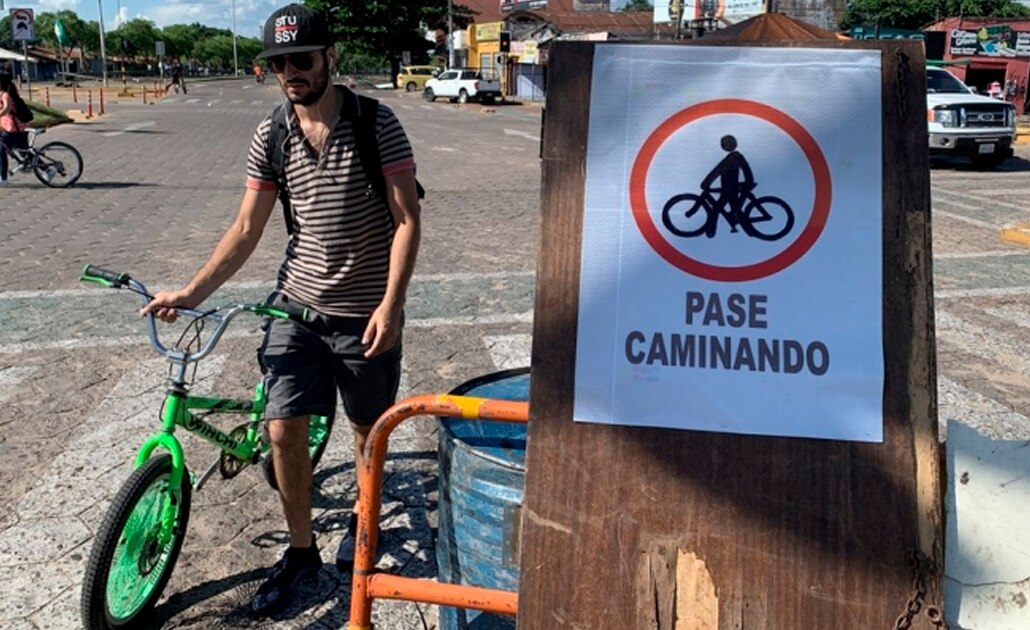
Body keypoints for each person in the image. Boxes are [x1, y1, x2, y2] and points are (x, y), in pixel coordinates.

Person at [140, 3, 421, 617]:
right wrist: (191, 293)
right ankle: (300, 551)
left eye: (301, 59)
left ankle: (362, 521)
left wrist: (392, 305)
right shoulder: (272, 133)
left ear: (329, 58)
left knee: (365, 434)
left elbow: (407, 220)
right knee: (282, 429)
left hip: (363, 314)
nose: (290, 71)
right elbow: (245, 227)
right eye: (278, 62)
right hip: (295, 306)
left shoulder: (378, 124)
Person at [699, 134, 754, 237]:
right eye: (724, 144)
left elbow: (716, 171)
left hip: (729, 189)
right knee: (730, 210)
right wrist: (749, 181)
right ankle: (748, 230)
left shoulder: (733, 157)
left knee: (720, 209)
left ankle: (712, 229)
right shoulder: (735, 156)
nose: (725, 145)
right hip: (728, 189)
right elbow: (746, 170)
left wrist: (706, 183)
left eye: (725, 143)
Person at [0, 72, 30, 188]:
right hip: (11, 128)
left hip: (14, 129)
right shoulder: (3, 93)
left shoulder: (6, 95)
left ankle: (3, 178)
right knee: (24, 153)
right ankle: (47, 170)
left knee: (1, 151)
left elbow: (7, 108)